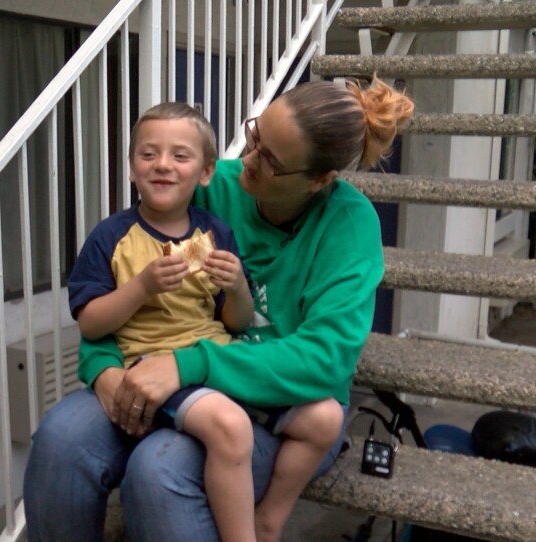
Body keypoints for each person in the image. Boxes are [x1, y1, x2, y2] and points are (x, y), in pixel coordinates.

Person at [23, 76, 415, 542]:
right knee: (61, 440)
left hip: (280, 397)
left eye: (269, 160)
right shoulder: (215, 187)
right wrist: (104, 369)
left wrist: (188, 364)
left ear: (318, 179)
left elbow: (326, 359)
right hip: (168, 367)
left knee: (158, 470)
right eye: (255, 137)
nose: (246, 160)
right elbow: (125, 280)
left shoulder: (349, 225)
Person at [63, 101, 341, 542]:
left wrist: (237, 288)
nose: (162, 166)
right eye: (148, 154)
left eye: (180, 156)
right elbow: (91, 325)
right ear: (131, 167)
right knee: (229, 427)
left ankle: (268, 524)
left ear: (206, 172)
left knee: (325, 418)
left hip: (213, 355)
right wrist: (141, 287)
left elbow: (236, 322)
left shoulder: (212, 233)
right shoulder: (111, 237)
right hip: (153, 364)